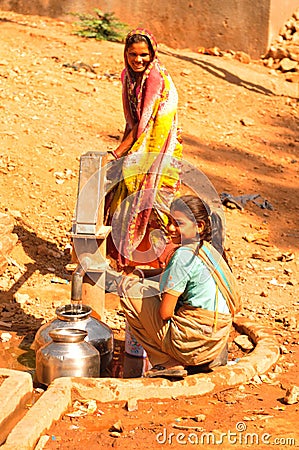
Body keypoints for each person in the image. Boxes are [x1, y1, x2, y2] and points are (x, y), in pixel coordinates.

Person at [118, 195, 241, 379]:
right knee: (149, 288)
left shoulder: (183, 256)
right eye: (170, 221)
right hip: (216, 340)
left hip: (193, 343)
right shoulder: (208, 249)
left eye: (179, 223)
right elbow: (172, 275)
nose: (170, 228)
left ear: (199, 226)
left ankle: (167, 362)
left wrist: (135, 281)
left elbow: (165, 313)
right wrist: (142, 273)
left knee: (129, 291)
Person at [105, 28, 183, 270]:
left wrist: (119, 153)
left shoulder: (156, 79)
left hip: (161, 146)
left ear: (153, 54)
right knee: (124, 195)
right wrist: (121, 152)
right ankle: (126, 261)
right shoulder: (129, 78)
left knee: (154, 202)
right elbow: (133, 122)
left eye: (144, 55)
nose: (138, 60)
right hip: (140, 141)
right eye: (132, 54)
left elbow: (148, 124)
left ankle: (169, 264)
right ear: (126, 54)